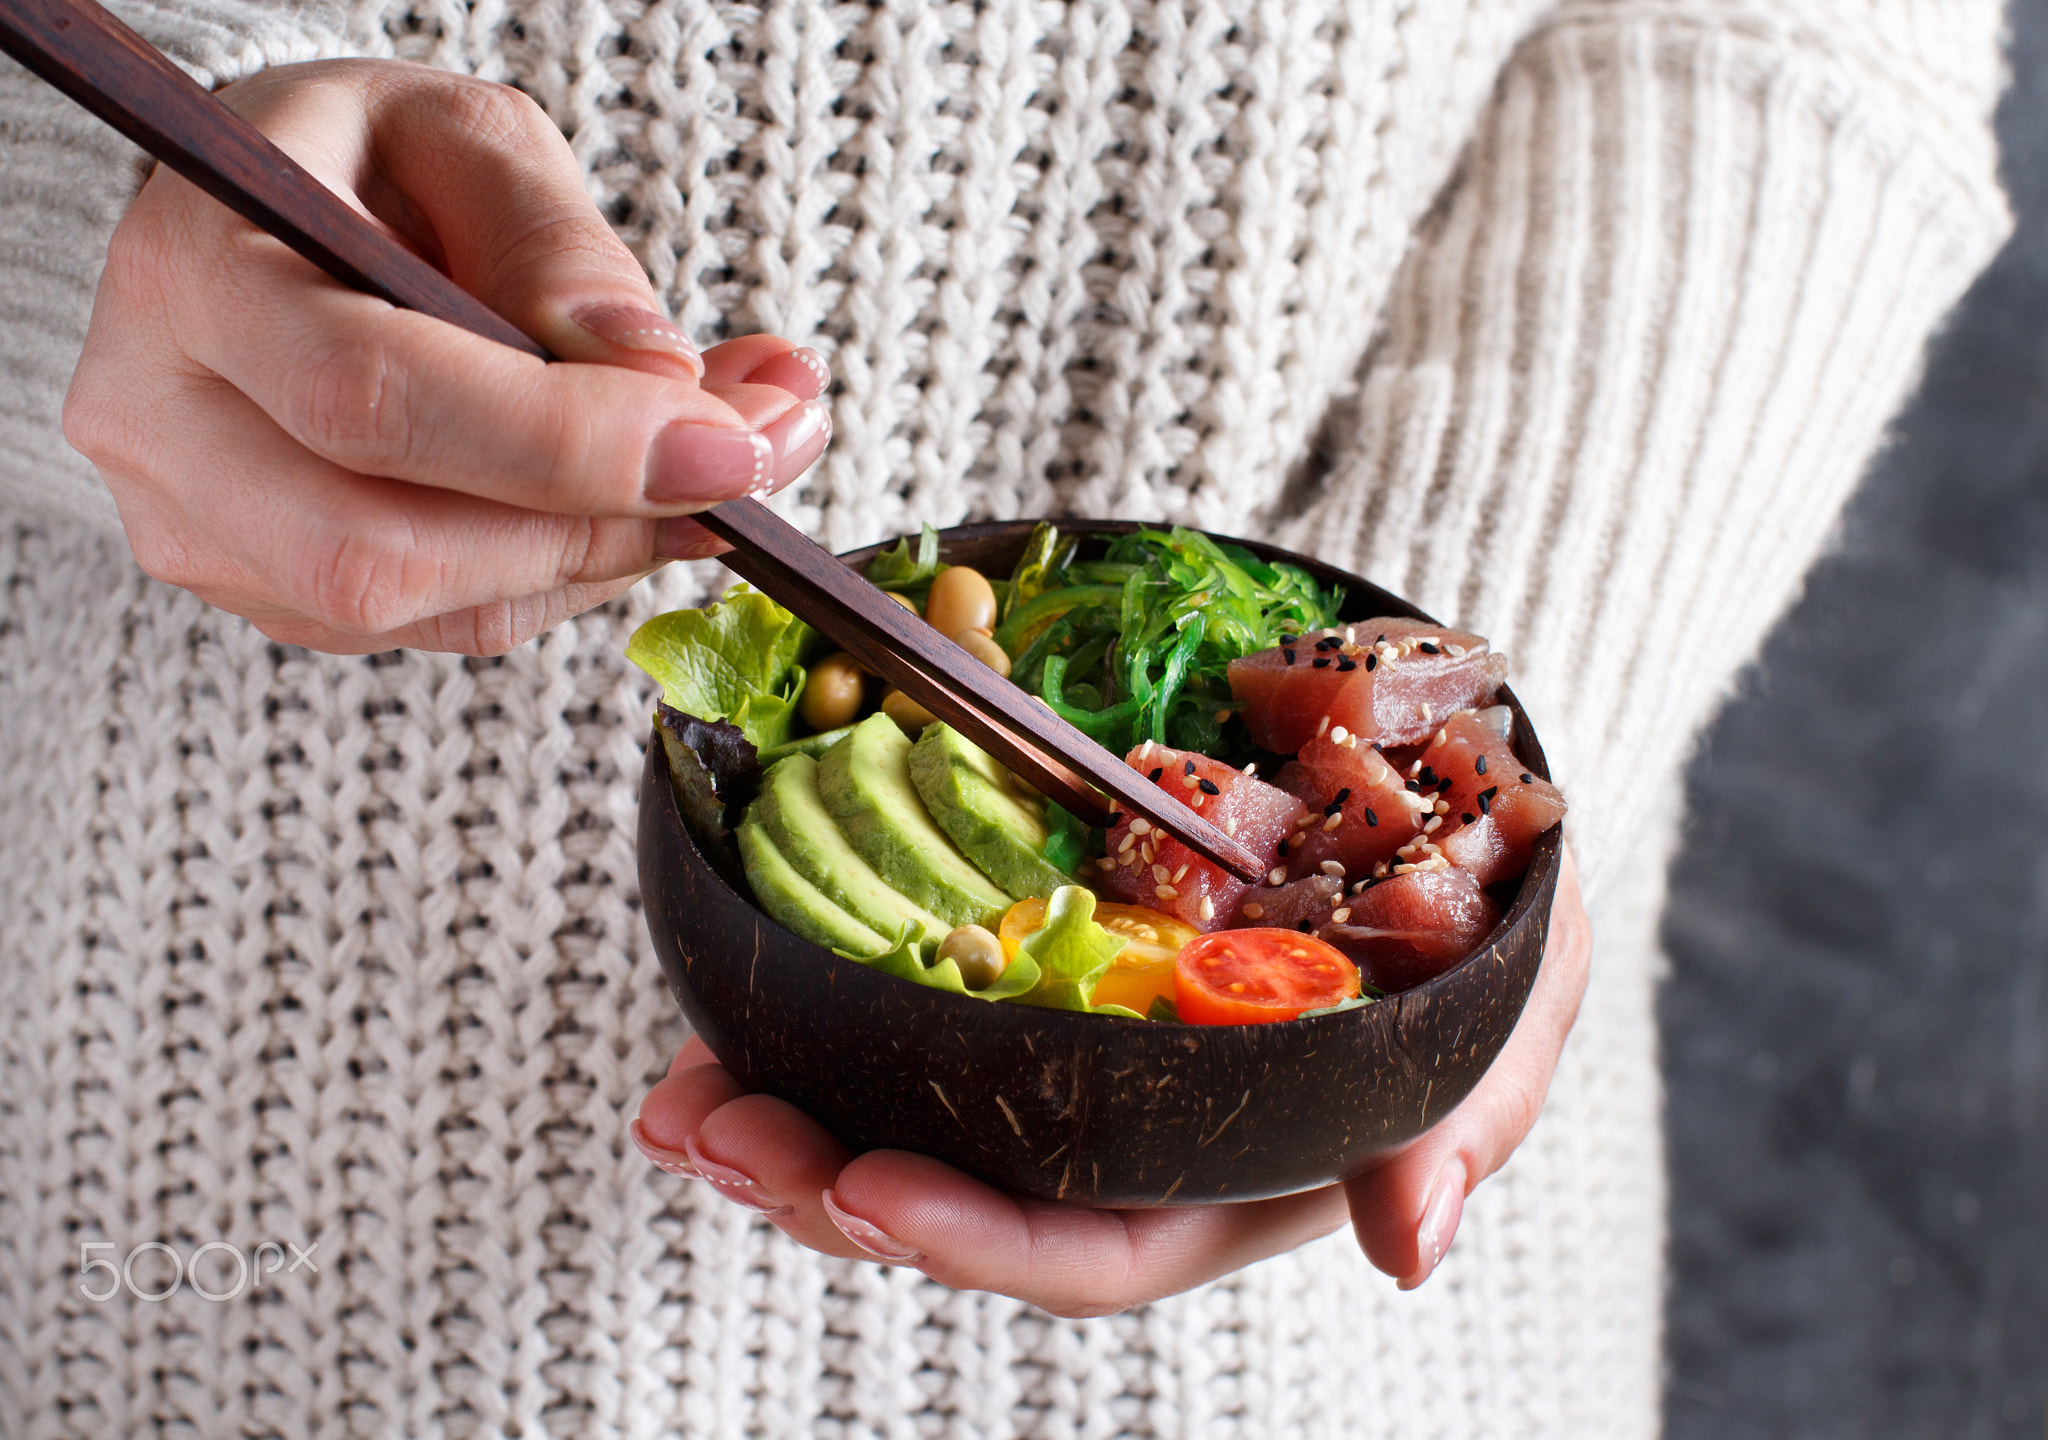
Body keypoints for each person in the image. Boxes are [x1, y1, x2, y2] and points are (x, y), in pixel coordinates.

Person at [0, 0, 2007, 1432]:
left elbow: (1803, 37)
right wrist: (84, 261)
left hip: (1329, 1334)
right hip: (206, 1211)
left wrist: (1456, 712)